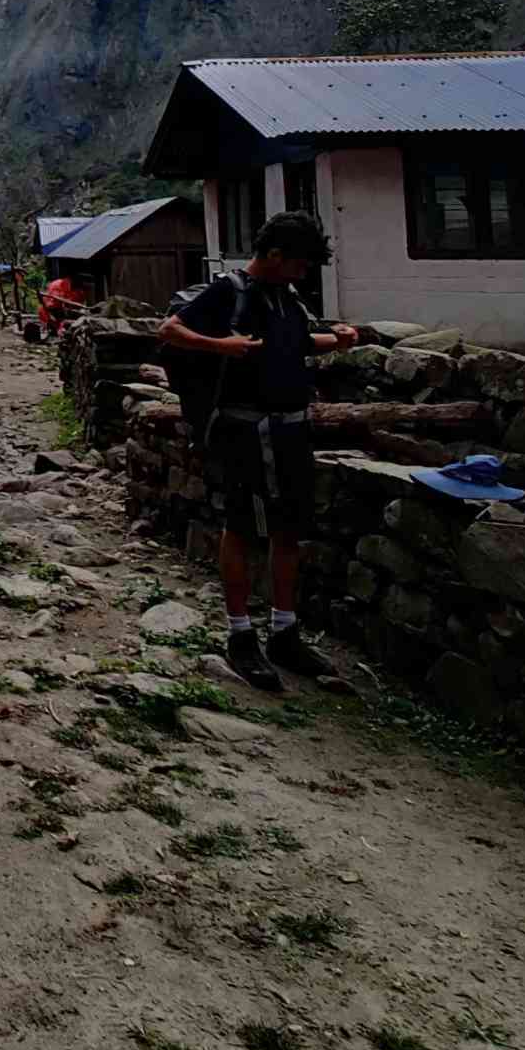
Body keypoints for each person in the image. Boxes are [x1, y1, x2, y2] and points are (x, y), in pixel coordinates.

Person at [156, 211, 360, 690]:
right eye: (301, 263)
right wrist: (218, 345)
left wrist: (339, 340)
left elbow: (292, 343)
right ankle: (240, 633)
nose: (304, 273)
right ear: (274, 255)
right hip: (243, 430)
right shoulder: (229, 291)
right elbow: (170, 330)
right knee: (242, 528)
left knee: (289, 529)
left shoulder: (285, 296)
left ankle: (284, 631)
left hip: (291, 430)